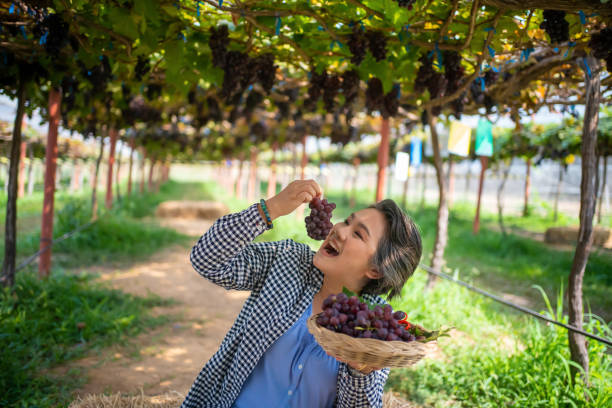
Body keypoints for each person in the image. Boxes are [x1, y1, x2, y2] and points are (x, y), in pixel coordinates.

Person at [181, 179, 422, 408]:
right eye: (347, 221)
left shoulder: (376, 325)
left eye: (358, 234)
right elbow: (206, 260)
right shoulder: (286, 261)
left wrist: (361, 371)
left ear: (376, 270)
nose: (339, 230)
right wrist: (269, 209)